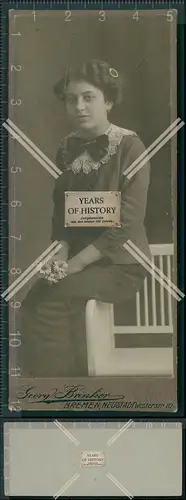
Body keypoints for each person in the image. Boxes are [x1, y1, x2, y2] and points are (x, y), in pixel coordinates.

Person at [20, 59, 151, 378]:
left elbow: (125, 223)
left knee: (51, 302)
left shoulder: (130, 147)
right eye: (71, 98)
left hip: (120, 266)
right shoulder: (66, 147)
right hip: (79, 261)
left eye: (88, 97)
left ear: (107, 100)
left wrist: (74, 266)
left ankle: (64, 388)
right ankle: (48, 391)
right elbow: (62, 213)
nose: (79, 106)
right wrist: (60, 257)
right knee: (33, 300)